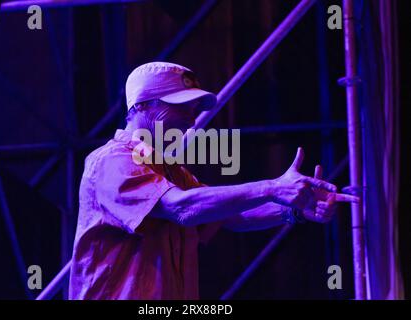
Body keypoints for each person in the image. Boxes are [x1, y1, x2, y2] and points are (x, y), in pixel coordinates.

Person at [68, 62, 358, 300]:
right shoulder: (112, 161)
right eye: (181, 107)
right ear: (142, 106)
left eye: (194, 109)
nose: (192, 120)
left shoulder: (171, 171)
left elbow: (233, 217)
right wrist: (273, 187)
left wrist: (292, 209)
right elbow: (180, 208)